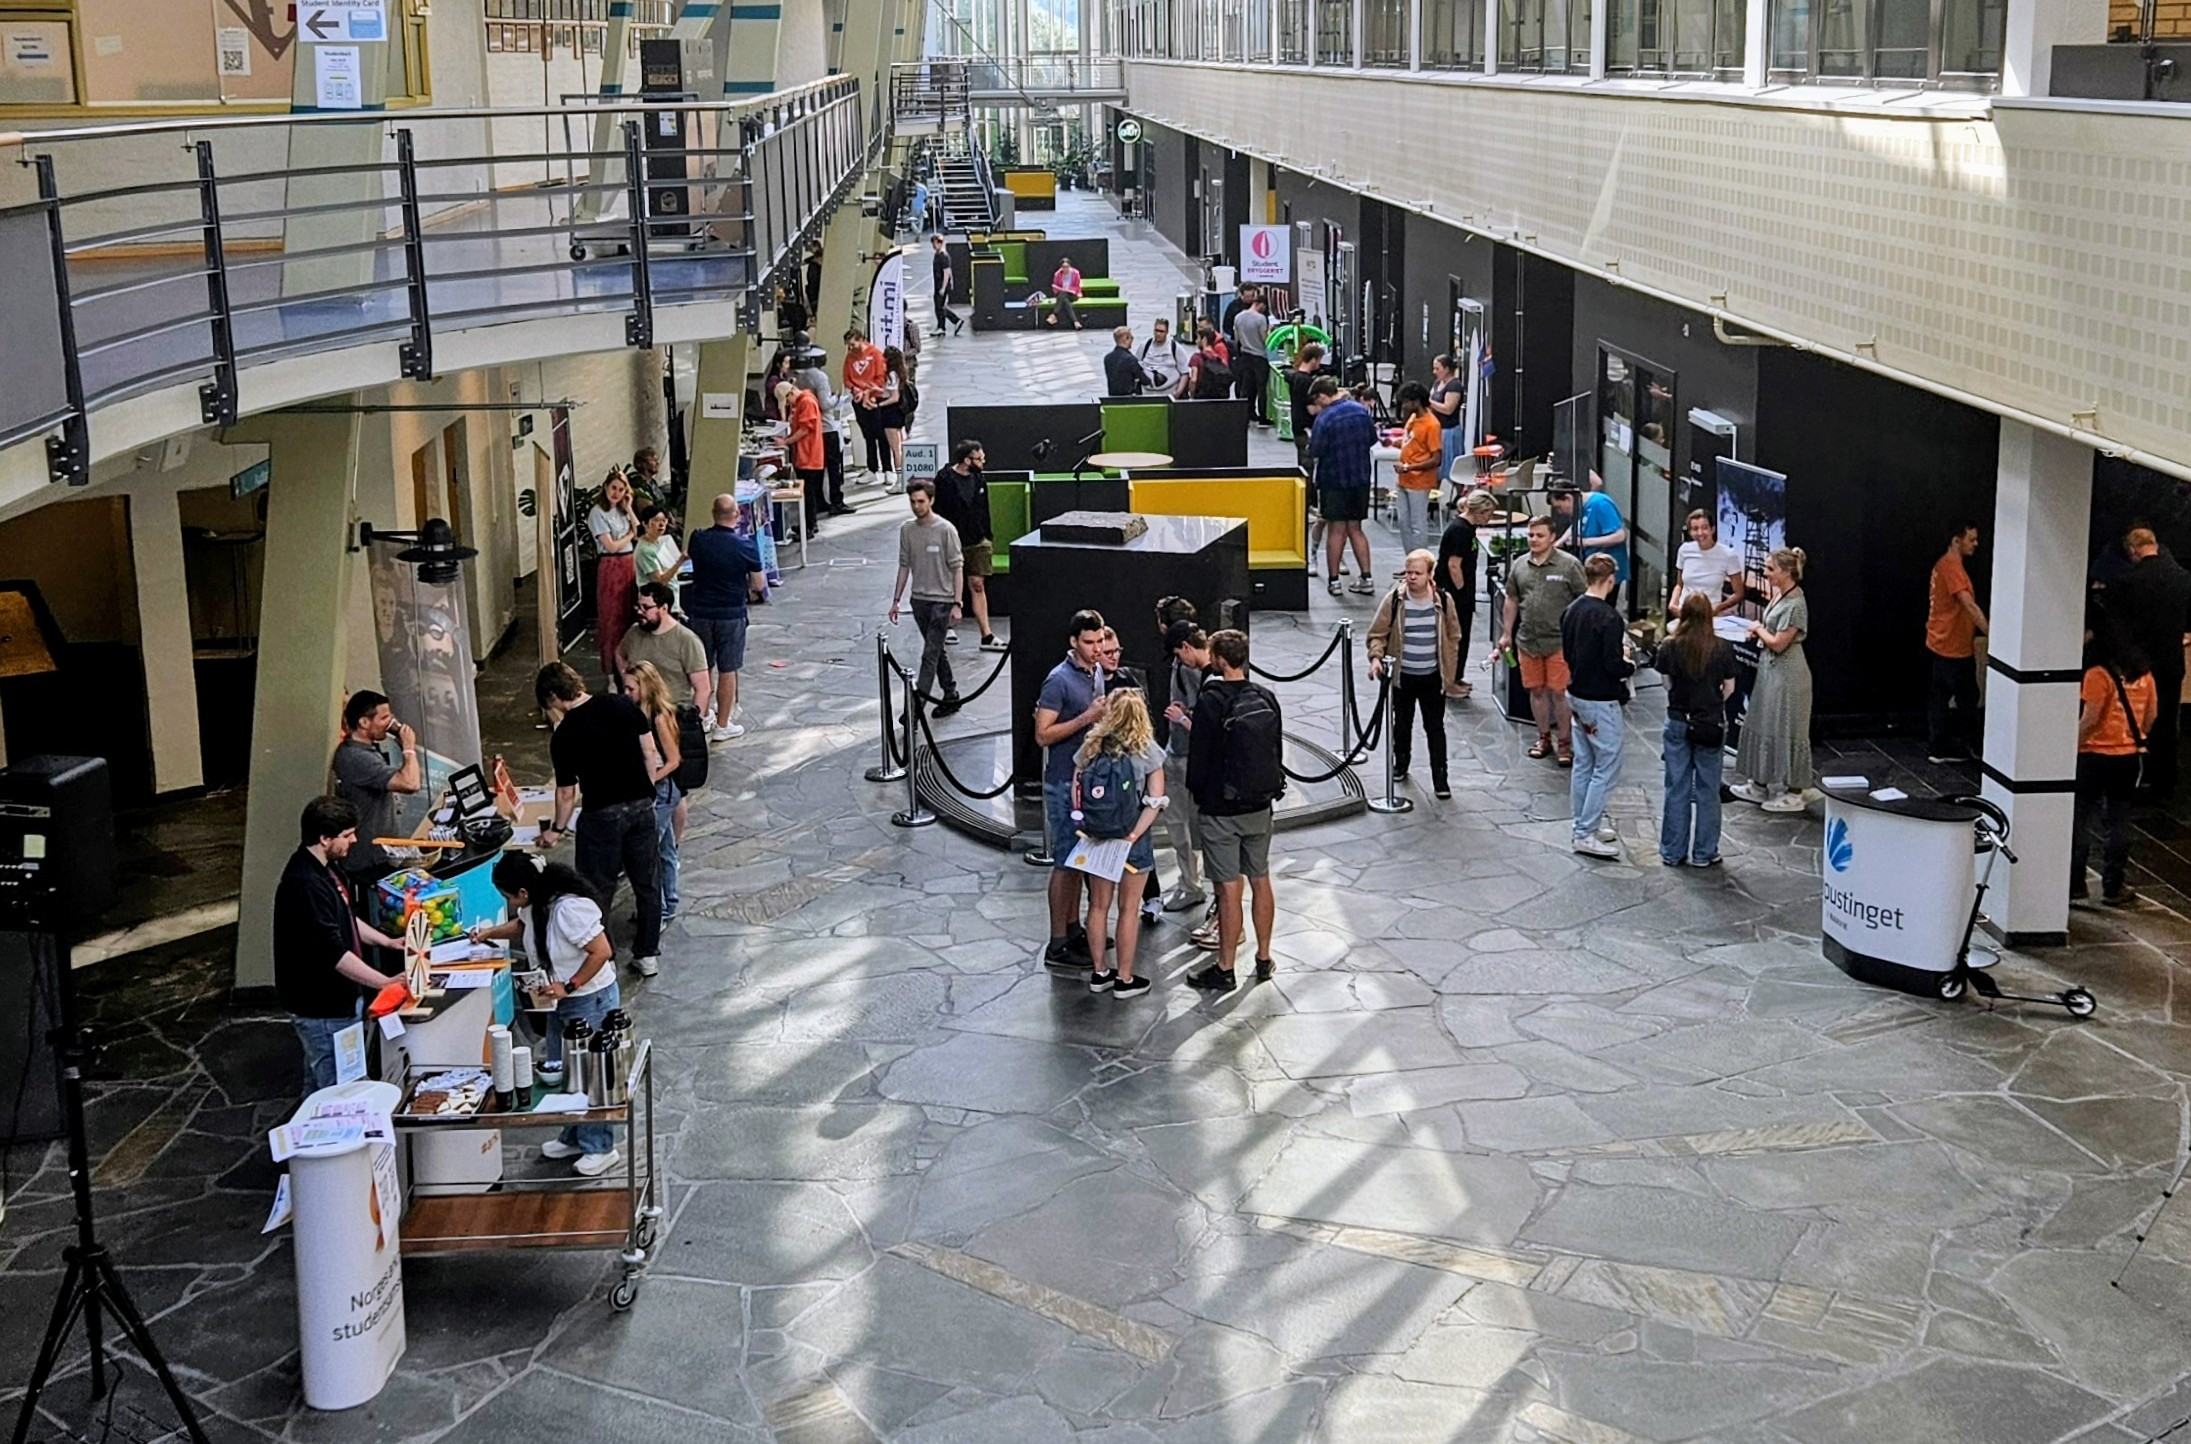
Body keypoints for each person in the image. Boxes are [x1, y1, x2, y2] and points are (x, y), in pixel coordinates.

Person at [473, 854, 621, 1175]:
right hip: (559, 1001)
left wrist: (570, 984)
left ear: (523, 892)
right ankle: (572, 1134)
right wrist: (488, 934)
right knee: (564, 1069)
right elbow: (522, 926)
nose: (509, 902)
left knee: (591, 1074)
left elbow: (602, 951)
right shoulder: (535, 905)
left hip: (588, 999)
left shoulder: (568, 909)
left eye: (508, 896)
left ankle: (600, 1145)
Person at [536, 661, 666, 977]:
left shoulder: (564, 735)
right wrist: (647, 790)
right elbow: (649, 750)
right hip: (639, 807)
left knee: (596, 888)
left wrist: (556, 830)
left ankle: (602, 955)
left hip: (600, 816)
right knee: (647, 883)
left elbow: (567, 793)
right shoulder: (620, 703)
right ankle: (647, 953)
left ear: (554, 696)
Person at [275, 797, 404, 1092]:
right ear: (324, 838)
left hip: (340, 998)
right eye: (347, 834)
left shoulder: (328, 869)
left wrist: (387, 941)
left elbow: (345, 916)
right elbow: (333, 951)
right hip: (323, 1004)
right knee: (338, 1086)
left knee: (327, 1080)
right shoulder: (304, 884)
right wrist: (385, 982)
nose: (355, 840)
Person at [1185, 629, 1283, 991]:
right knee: (1261, 879)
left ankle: (1225, 967)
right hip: (1260, 804)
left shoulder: (1210, 701)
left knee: (1228, 889)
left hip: (1220, 809)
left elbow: (1200, 758)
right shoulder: (1266, 697)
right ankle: (1264, 956)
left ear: (1219, 659)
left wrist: (1198, 794)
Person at [1073, 688, 1168, 1001]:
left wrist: (1084, 823)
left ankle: (1100, 972)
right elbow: (1155, 801)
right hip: (1132, 841)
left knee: (1098, 906)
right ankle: (1125, 978)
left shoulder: (1091, 746)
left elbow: (1077, 789)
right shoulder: (1148, 751)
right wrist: (1134, 834)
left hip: (1096, 836)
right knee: (1129, 909)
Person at [1035, 610, 1111, 970]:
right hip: (1064, 782)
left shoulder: (1095, 672)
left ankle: (1074, 927)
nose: (1097, 649)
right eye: (1089, 643)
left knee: (1079, 861)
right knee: (1065, 863)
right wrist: (1085, 719)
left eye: (1099, 642)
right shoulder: (1058, 681)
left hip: (1086, 782)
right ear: (1073, 642)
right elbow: (1042, 735)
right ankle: (1056, 941)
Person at [1368, 549, 1463, 798]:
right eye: (1408, 572)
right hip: (1404, 676)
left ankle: (1440, 777)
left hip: (1432, 676)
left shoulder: (1443, 600)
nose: (1411, 578)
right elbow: (1378, 633)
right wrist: (1376, 658)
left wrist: (1449, 673)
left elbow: (1454, 635)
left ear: (1429, 574)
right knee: (1402, 724)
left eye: (1417, 573)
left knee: (1435, 728)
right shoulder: (1394, 600)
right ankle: (1401, 763)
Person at [2073, 626, 2157, 905]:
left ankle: (2075, 885)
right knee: (2119, 821)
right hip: (2128, 758)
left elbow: (2091, 719)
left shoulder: (2098, 675)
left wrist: (2070, 746)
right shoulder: (2144, 675)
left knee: (2080, 818)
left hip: (2093, 756)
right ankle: (2114, 886)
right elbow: (2151, 716)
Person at [2102, 526, 2189, 794]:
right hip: (2172, 661)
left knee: (2138, 718)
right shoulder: (2183, 578)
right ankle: (2166, 778)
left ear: (2132, 549)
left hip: (2140, 663)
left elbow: (2116, 624)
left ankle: (2139, 776)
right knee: (2167, 719)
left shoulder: (2128, 581)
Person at [1655, 592, 1739, 867]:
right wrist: (1713, 702)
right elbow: (1729, 688)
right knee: (1708, 789)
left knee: (1676, 787)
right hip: (1710, 723)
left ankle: (1672, 851)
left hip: (1678, 719)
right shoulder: (1722, 647)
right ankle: (1704, 853)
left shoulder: (1669, 645)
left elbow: (1667, 685)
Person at [1731, 548, 1815, 813]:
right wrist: (1760, 633)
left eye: (1770, 569)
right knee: (1763, 720)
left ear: (1786, 571)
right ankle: (1759, 783)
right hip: (1770, 670)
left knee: (1788, 727)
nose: (1765, 573)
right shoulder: (1779, 595)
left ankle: (1795, 791)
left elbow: (1779, 643)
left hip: (1788, 675)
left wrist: (1758, 629)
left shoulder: (1796, 604)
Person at [1561, 554, 1634, 857]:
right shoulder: (1609, 618)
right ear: (1610, 579)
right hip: (1601, 699)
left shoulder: (1571, 610)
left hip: (1576, 693)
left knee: (1584, 763)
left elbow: (1566, 651)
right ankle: (1585, 830)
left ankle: (1583, 821)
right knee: (1606, 764)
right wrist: (1630, 663)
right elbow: (1613, 664)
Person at [1500, 514, 1587, 765]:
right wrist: (1507, 633)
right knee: (1536, 691)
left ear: (1551, 537)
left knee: (1560, 692)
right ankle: (1543, 737)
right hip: (1528, 640)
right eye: (1530, 535)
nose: (1534, 540)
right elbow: (1511, 599)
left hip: (1560, 642)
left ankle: (1565, 743)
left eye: (1539, 535)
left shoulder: (1569, 565)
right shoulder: (1519, 565)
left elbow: (1583, 598)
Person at [684, 492, 767, 743]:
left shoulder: (698, 539)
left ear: (713, 513)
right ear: (737, 515)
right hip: (731, 613)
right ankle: (723, 723)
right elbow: (758, 583)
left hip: (700, 611)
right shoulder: (746, 546)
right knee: (728, 668)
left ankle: (706, 714)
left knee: (703, 665)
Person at [1668, 508, 1750, 741]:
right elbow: (1679, 584)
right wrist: (1674, 603)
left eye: (1704, 528)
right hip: (1684, 615)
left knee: (1706, 664)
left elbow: (1738, 593)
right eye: (1695, 529)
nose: (1700, 533)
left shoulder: (1727, 555)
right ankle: (1680, 714)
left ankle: (1708, 713)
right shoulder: (1685, 550)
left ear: (1712, 529)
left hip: (1710, 617)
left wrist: (1715, 610)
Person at [889, 479, 966, 716]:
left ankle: (915, 709)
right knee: (936, 650)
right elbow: (904, 565)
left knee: (929, 654)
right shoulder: (907, 530)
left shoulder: (946, 530)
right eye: (913, 502)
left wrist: (957, 603)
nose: (916, 506)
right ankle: (950, 693)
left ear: (931, 501)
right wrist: (896, 600)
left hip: (941, 601)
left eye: (921, 501)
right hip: (919, 600)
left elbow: (957, 567)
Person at [622, 660, 690, 927]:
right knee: (664, 851)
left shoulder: (659, 716)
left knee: (648, 853)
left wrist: (647, 782)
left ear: (645, 686)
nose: (626, 693)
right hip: (656, 790)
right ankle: (666, 903)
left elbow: (672, 760)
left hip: (662, 791)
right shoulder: (638, 713)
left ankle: (659, 909)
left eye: (631, 688)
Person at [330, 689, 421, 885]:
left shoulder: (367, 748)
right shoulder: (356, 758)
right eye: (384, 718)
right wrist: (408, 748)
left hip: (383, 852)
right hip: (369, 860)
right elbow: (411, 783)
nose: (390, 723)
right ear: (364, 723)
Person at [1307, 376, 1377, 596]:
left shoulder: (1325, 418)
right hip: (1360, 479)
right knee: (1355, 528)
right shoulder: (1360, 411)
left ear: (1322, 396)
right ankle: (1366, 578)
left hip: (1333, 480)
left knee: (1336, 530)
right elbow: (1372, 439)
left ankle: (1334, 581)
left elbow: (1315, 449)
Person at [1160, 622, 1212, 915]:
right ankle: (1194, 883)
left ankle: (1192, 885)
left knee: (1183, 826)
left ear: (1186, 647)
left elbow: (1206, 728)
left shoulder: (1194, 671)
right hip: (1187, 756)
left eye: (1179, 654)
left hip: (1187, 758)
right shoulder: (1207, 671)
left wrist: (1182, 718)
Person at [1925, 521, 1988, 763]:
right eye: (1971, 539)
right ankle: (1965, 745)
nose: (1975, 544)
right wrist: (1991, 632)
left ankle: (1939, 745)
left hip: (1940, 640)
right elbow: (1969, 605)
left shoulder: (1943, 566)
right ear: (1956, 540)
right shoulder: (1952, 568)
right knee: (1967, 697)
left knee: (1940, 695)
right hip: (1952, 646)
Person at [931, 442, 1002, 652]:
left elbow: (984, 508)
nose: (983, 462)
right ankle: (948, 626)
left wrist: (987, 535)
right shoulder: (944, 480)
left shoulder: (980, 479)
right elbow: (937, 511)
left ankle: (986, 635)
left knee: (978, 584)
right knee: (950, 586)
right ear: (966, 460)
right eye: (979, 459)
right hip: (951, 541)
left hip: (977, 540)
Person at [1436, 489, 1497, 700]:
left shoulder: (1469, 529)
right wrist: (1461, 592)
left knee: (1463, 638)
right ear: (1481, 511)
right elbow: (1454, 565)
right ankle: (1449, 682)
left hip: (1463, 593)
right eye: (1489, 513)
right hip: (1454, 593)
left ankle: (1457, 676)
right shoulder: (1459, 531)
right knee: (1454, 638)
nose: (1489, 518)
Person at [617, 582, 711, 714]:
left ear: (664, 608)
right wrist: (626, 679)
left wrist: (693, 724)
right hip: (638, 711)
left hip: (671, 712)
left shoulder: (687, 640)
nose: (640, 611)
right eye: (638, 606)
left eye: (646, 607)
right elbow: (619, 653)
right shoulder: (633, 633)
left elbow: (703, 688)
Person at [587, 470, 639, 689]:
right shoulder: (598, 513)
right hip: (611, 564)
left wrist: (628, 508)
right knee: (611, 620)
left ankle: (628, 669)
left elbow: (638, 529)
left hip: (628, 563)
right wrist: (629, 534)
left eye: (621, 489)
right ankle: (610, 674)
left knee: (629, 616)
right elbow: (611, 545)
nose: (617, 493)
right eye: (614, 488)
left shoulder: (621, 510)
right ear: (606, 487)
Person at [792, 343, 849, 506]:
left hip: (813, 428)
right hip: (826, 425)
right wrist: (836, 398)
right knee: (833, 466)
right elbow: (824, 403)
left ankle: (819, 500)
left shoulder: (799, 375)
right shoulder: (820, 377)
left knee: (817, 468)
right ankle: (836, 500)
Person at [1392, 381, 1442, 555]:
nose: (1404, 406)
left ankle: (1421, 563)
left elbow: (1436, 459)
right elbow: (1413, 443)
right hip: (1404, 480)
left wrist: (1408, 467)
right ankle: (1410, 562)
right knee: (1403, 523)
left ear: (1416, 401)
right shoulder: (1413, 419)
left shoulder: (1432, 425)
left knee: (1418, 525)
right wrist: (1401, 444)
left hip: (1420, 483)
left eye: (1406, 402)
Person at [778, 379, 828, 537]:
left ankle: (809, 527)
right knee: (808, 493)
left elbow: (806, 428)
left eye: (787, 400)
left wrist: (786, 441)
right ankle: (809, 524)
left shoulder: (806, 402)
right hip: (806, 455)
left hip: (809, 455)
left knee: (808, 493)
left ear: (790, 394)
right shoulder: (804, 401)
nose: (787, 404)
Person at [843, 329, 890, 486]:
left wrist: (867, 392)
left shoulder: (875, 355)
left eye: (853, 344)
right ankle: (872, 468)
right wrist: (856, 390)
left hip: (875, 400)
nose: (851, 349)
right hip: (859, 402)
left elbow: (880, 378)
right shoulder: (849, 358)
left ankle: (887, 469)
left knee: (881, 435)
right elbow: (847, 379)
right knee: (867, 435)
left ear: (861, 339)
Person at [633, 504, 685, 612]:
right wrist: (680, 561)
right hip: (656, 604)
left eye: (664, 520)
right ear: (645, 524)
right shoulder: (645, 550)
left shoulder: (661, 541)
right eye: (656, 520)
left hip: (672, 598)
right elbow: (661, 581)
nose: (661, 524)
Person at [1232, 294, 1273, 425]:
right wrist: (1270, 331)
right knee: (1261, 389)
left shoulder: (1238, 317)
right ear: (1261, 304)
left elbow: (1236, 338)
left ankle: (1244, 415)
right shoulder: (1260, 319)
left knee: (1246, 388)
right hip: (1259, 357)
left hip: (1245, 355)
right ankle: (1262, 417)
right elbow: (1265, 340)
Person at [1429, 353, 1467, 486]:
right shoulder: (1437, 383)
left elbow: (1448, 408)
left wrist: (1429, 403)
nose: (1435, 372)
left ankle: (1453, 492)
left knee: (1449, 465)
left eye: (1437, 369)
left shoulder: (1454, 385)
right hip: (1437, 428)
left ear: (1446, 369)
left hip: (1449, 431)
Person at [875, 345, 911, 485]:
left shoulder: (891, 375)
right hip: (898, 413)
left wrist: (879, 405)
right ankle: (901, 477)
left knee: (895, 449)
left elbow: (894, 397)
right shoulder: (901, 373)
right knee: (899, 446)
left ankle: (900, 479)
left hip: (890, 413)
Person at [1139, 317, 1193, 396]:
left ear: (1167, 332)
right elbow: (1137, 366)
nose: (1158, 334)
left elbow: (1185, 373)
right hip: (1146, 393)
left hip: (1169, 393)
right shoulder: (1144, 346)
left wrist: (1178, 392)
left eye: (1161, 331)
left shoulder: (1176, 348)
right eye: (1156, 330)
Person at [1187, 326, 1234, 401]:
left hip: (1201, 398)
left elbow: (1193, 380)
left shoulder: (1196, 358)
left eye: (1198, 338)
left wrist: (1192, 394)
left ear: (1204, 340)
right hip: (1218, 400)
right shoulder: (1219, 358)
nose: (1196, 341)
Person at [931, 234, 964, 337]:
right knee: (938, 306)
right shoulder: (937, 255)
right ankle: (941, 327)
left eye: (935, 243)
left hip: (942, 285)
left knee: (940, 307)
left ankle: (956, 320)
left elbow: (947, 273)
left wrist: (943, 288)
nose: (933, 245)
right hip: (938, 284)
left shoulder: (944, 257)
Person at [1104, 326, 1149, 397]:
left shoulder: (1107, 358)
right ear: (1126, 339)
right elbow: (1144, 380)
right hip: (1130, 399)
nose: (1132, 340)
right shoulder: (1131, 360)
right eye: (1131, 337)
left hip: (1113, 398)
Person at [1048, 255, 1083, 329]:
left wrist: (1070, 289)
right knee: (1065, 300)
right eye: (1063, 267)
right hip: (1062, 294)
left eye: (1067, 267)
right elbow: (1055, 287)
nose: (1065, 269)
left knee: (1063, 295)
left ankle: (1054, 315)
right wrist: (1060, 289)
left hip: (1072, 294)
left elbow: (1077, 286)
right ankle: (1075, 322)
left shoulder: (1075, 273)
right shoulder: (1057, 274)